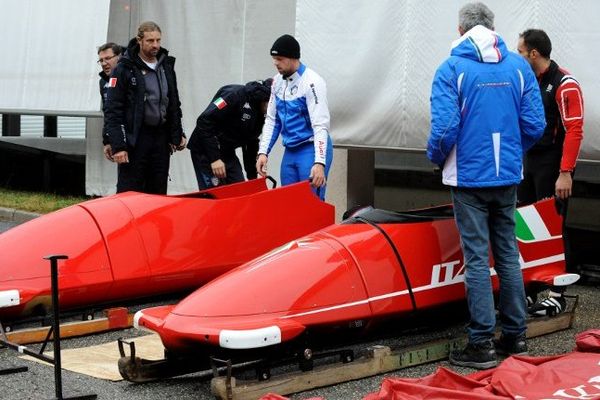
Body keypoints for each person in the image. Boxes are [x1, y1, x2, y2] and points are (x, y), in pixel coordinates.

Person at [427, 2, 546, 369]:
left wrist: (436, 157)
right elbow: (535, 124)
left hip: (468, 178)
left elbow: (444, 128)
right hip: (506, 175)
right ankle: (516, 336)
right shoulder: (518, 66)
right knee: (508, 253)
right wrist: (511, 153)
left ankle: (481, 344)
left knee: (478, 259)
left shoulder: (451, 69)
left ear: (461, 29)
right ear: (493, 28)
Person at [104, 21, 186, 194]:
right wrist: (118, 145)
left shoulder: (166, 65)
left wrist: (177, 133)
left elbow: (173, 102)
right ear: (139, 40)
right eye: (150, 41)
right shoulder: (124, 68)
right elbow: (113, 109)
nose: (155, 45)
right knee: (130, 191)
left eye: (158, 40)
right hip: (136, 137)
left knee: (158, 189)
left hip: (160, 138)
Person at [256, 34, 333, 200]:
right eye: (274, 58)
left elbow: (320, 126)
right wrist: (263, 152)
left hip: (311, 148)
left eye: (279, 58)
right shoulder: (277, 82)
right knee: (289, 203)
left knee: (311, 205)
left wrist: (319, 163)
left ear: (293, 58)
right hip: (291, 150)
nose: (275, 63)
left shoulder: (312, 82)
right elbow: (272, 120)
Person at [517, 29, 584, 204]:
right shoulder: (527, 79)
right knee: (522, 225)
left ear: (533, 54)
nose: (516, 57)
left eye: (520, 52)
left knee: (549, 227)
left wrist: (565, 172)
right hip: (527, 159)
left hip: (552, 164)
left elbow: (574, 130)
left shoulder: (566, 84)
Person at [187, 79, 272, 189]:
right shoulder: (233, 95)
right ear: (265, 98)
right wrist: (215, 159)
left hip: (227, 151)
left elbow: (251, 141)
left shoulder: (263, 113)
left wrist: (253, 178)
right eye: (273, 104)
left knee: (239, 189)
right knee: (215, 195)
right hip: (205, 149)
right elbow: (204, 121)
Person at [97, 42, 122, 162]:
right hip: (116, 140)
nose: (104, 63)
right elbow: (108, 113)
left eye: (107, 58)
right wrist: (107, 140)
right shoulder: (103, 82)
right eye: (101, 60)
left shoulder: (129, 77)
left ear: (119, 57)